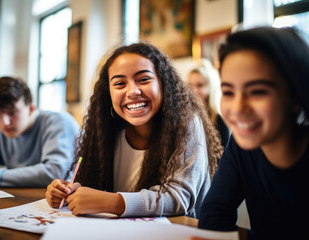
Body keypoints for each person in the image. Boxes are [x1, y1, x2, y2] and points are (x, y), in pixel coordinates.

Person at [45, 42, 223, 218]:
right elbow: (93, 186)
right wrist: (69, 191)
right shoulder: (105, 130)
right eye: (120, 84)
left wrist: (112, 202)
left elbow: (178, 198)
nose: (132, 91)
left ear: (164, 84)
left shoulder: (186, 124)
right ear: (109, 92)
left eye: (143, 79)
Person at [198, 27, 309, 239]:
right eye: (228, 92)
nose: (238, 108)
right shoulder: (242, 145)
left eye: (257, 91)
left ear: (295, 96)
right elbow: (212, 216)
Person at [0, 76, 80, 188]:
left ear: (31, 108)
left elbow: (56, 172)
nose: (4, 122)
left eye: (12, 112)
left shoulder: (58, 122)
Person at [187, 59, 230, 148]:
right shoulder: (183, 118)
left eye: (200, 85)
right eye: (190, 85)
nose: (193, 90)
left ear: (211, 88)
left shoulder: (220, 121)